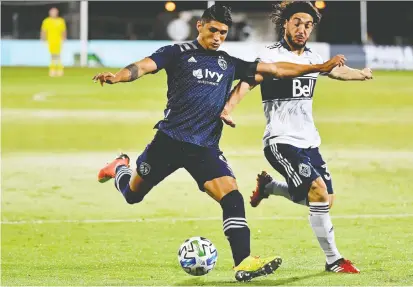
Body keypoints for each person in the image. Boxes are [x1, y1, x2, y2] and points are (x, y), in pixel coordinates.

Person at [92, 4, 344, 282]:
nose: (218, 37)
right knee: (132, 195)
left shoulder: (229, 62)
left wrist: (319, 67)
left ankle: (243, 262)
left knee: (232, 196)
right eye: (213, 30)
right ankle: (119, 168)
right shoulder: (176, 53)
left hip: (204, 149)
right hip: (168, 142)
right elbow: (142, 66)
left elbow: (276, 69)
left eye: (223, 32)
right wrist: (118, 77)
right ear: (200, 26)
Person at [220, 1, 373, 274]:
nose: (302, 29)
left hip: (309, 141)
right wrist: (228, 109)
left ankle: (269, 188)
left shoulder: (313, 57)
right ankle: (334, 260)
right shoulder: (268, 55)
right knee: (317, 191)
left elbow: (335, 71)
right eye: (297, 23)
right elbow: (247, 83)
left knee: (325, 200)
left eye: (308, 25)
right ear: (285, 24)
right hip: (281, 140)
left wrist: (359, 74)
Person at [41, 7, 66, 77]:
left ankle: (60, 70)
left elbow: (63, 31)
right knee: (52, 56)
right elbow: (44, 31)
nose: (53, 13)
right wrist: (43, 39)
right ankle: (52, 70)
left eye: (54, 12)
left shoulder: (61, 21)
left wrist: (63, 39)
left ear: (57, 13)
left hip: (58, 41)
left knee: (58, 56)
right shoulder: (46, 21)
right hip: (50, 41)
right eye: (52, 12)